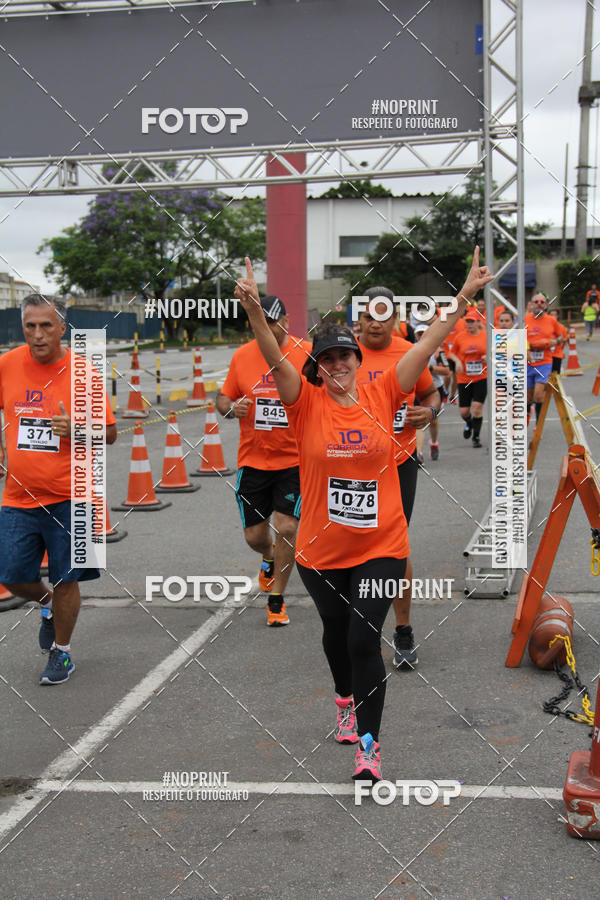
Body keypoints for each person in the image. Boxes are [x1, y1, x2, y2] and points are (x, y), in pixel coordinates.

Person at [234, 250, 492, 783]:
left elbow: (428, 342)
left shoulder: (385, 388)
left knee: (360, 639)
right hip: (321, 550)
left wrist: (464, 294)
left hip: (380, 545)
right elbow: (274, 354)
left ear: (356, 358)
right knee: (334, 634)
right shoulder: (303, 403)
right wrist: (258, 313)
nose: (337, 365)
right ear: (318, 368)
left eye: (344, 356)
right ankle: (343, 699)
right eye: (326, 359)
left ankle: (369, 750)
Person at [0, 294, 117, 685]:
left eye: (46, 325)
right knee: (13, 575)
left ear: (62, 328)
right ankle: (47, 605)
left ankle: (62, 653)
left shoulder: (84, 373)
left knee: (69, 577)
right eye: (30, 326)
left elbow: (112, 433)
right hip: (18, 497)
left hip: (73, 497)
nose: (37, 335)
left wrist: (77, 430)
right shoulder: (8, 364)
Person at [356, 287, 442, 670]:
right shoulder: (340, 355)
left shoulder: (409, 352)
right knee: (355, 547)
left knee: (395, 547)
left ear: (395, 320)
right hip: (348, 466)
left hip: (397, 462)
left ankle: (403, 629)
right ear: (358, 320)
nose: (375, 323)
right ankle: (360, 627)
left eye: (383, 316)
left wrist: (429, 412)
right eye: (368, 316)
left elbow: (432, 394)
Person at [216, 295, 311, 627]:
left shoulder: (306, 352)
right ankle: (269, 557)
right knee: (255, 537)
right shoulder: (242, 356)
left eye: (274, 320)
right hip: (254, 461)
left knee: (287, 527)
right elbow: (223, 398)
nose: (269, 327)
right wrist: (231, 408)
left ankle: (277, 599)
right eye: (263, 321)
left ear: (286, 319)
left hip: (295, 460)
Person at [448, 307, 488, 448]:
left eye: (472, 322)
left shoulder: (485, 335)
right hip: (464, 378)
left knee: (477, 408)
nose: (469, 324)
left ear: (478, 322)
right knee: (464, 412)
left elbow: (495, 350)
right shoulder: (460, 337)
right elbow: (451, 353)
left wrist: (488, 356)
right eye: (467, 322)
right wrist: (457, 361)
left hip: (481, 377)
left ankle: (476, 437)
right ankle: (469, 424)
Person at [525, 292, 563, 428]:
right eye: (537, 302)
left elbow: (562, 337)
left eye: (542, 302)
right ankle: (528, 412)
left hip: (544, 361)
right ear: (531, 304)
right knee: (528, 397)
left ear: (546, 305)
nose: (539, 304)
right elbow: (516, 337)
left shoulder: (551, 321)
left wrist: (553, 342)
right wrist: (527, 349)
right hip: (528, 361)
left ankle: (538, 424)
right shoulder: (524, 319)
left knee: (539, 395)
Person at [413, 323, 449, 463]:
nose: (421, 336)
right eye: (419, 334)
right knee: (419, 421)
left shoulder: (437, 351)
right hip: (418, 389)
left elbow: (447, 371)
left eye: (424, 333)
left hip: (435, 389)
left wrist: (430, 368)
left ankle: (434, 443)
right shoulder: (411, 349)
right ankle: (419, 453)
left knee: (433, 420)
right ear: (416, 336)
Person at [548, 309, 568, 373]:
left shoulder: (561, 327)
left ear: (558, 316)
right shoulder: (546, 327)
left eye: (555, 315)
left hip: (557, 354)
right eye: (551, 315)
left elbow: (565, 339)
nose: (553, 316)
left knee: (555, 376)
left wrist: (558, 341)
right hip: (547, 356)